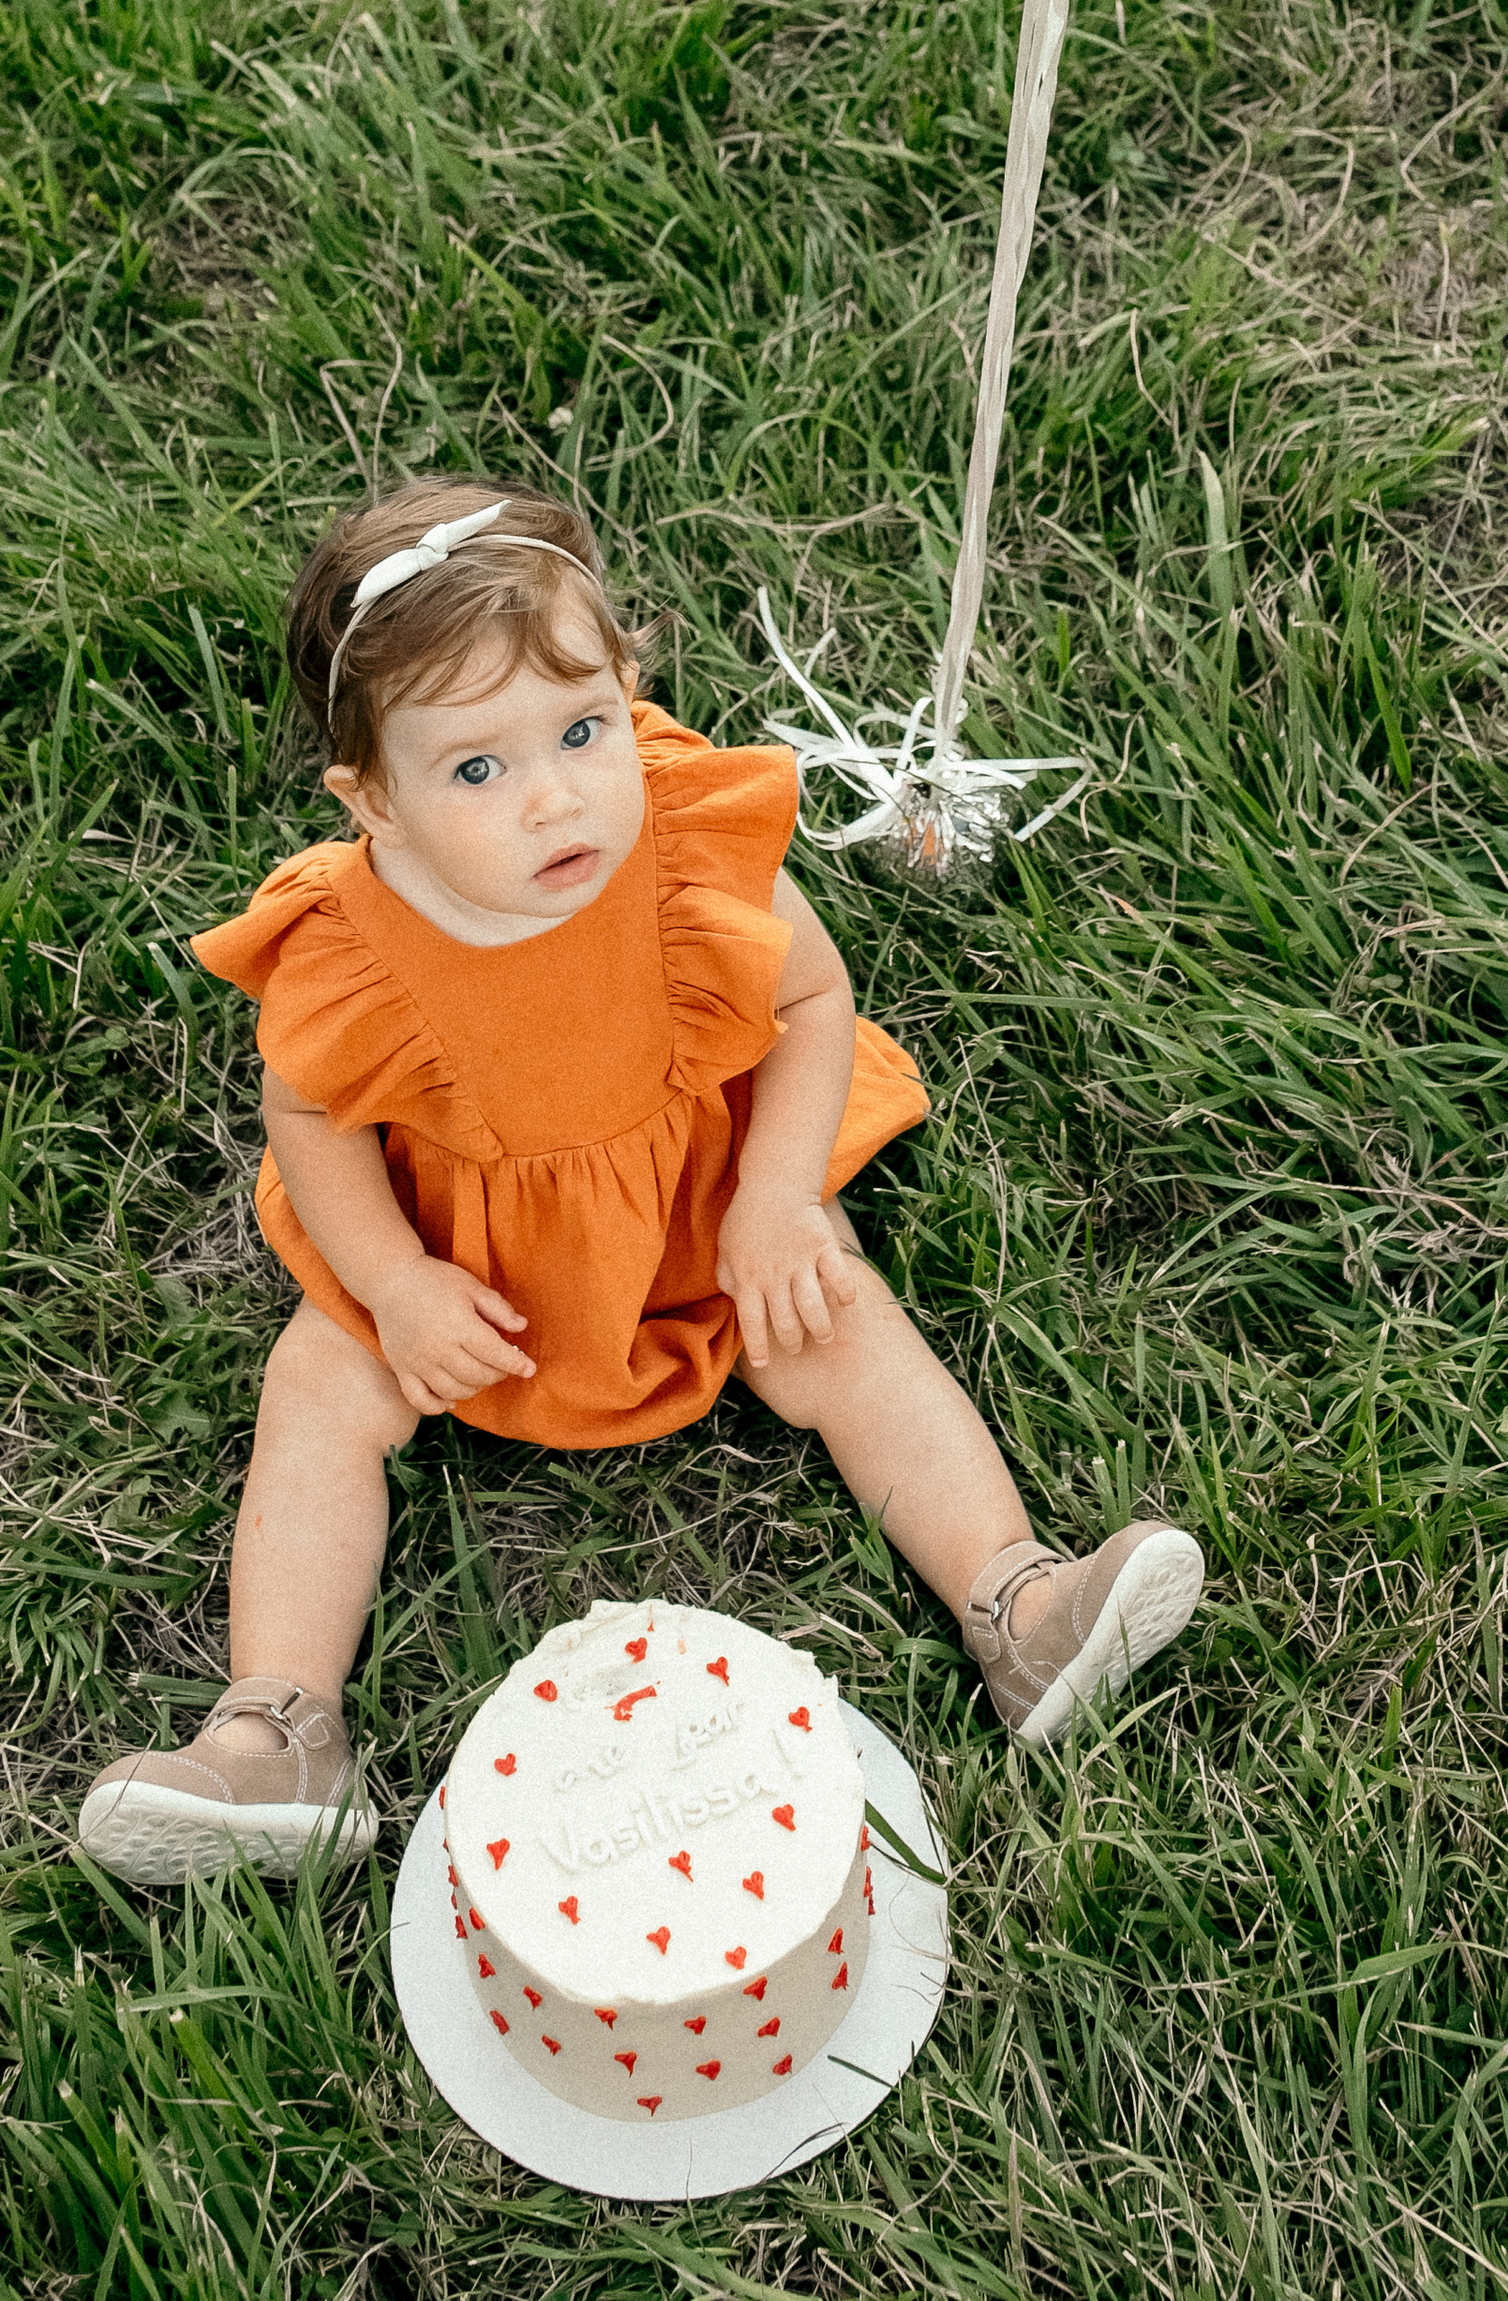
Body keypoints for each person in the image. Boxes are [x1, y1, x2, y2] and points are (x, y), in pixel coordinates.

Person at [78, 477, 1206, 1878]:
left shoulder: (678, 842)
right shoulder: (351, 944)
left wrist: (777, 1198)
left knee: (834, 1316)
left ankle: (1017, 1603)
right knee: (320, 1379)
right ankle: (276, 1733)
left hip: (703, 1205)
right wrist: (394, 1281)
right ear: (374, 802)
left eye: (581, 729)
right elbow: (308, 1119)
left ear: (627, 688)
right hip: (467, 1254)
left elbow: (811, 1001)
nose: (555, 796)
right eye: (476, 771)